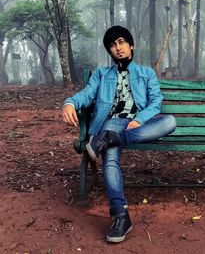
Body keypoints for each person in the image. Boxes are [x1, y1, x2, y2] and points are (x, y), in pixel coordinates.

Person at [62, 25, 176, 243]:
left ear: (131, 45)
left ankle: (110, 140)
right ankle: (120, 215)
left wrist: (139, 120)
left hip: (138, 125)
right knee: (111, 157)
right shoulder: (101, 74)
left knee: (170, 121)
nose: (118, 48)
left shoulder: (146, 73)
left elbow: (156, 102)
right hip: (112, 123)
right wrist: (69, 103)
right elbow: (86, 95)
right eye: (113, 45)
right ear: (110, 51)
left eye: (122, 42)